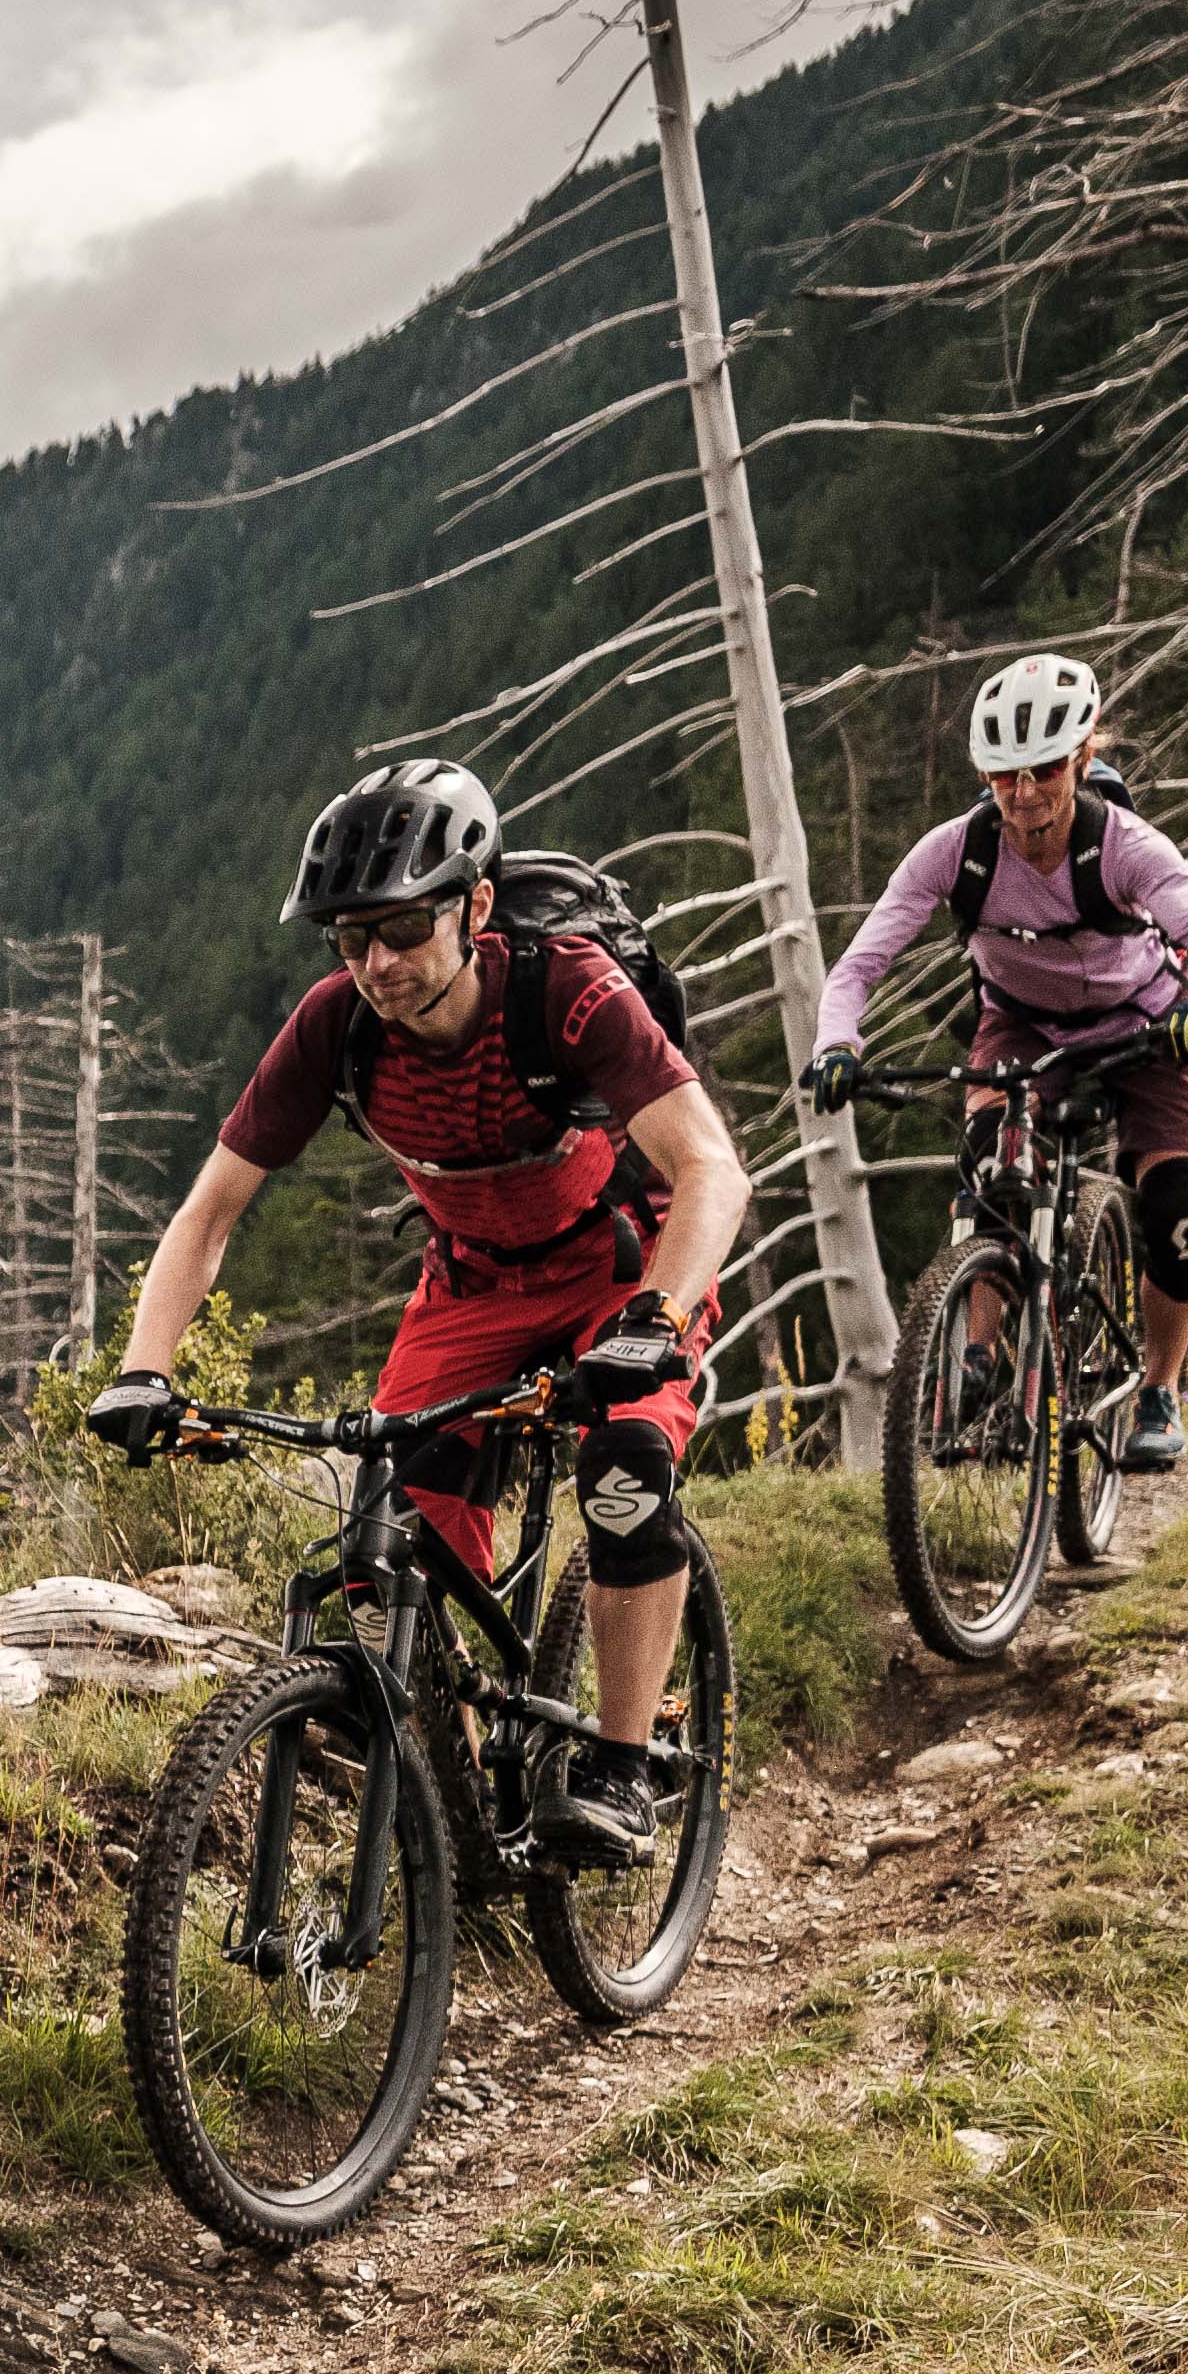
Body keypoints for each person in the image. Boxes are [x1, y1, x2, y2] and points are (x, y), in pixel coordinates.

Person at [86, 757, 754, 1861]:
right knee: (379, 1542)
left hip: (621, 1269)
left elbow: (711, 1171)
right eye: (351, 942)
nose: (378, 965)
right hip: (473, 1287)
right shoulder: (334, 1028)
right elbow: (208, 1214)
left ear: (475, 906)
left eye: (402, 931)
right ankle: (460, 1788)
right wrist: (143, 1369)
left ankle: (624, 1769)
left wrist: (658, 1317)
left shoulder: (567, 990)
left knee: (627, 1475)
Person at [812, 649, 1188, 1476]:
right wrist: (839, 1043)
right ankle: (977, 1359)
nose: (1026, 793)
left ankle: (1156, 1389)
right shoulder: (956, 853)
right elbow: (860, 965)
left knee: (1181, 1207)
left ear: (1081, 760)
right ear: (985, 774)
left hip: (1151, 1022)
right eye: (1006, 774)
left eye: (1045, 769)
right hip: (1024, 1028)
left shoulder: (1122, 844)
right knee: (989, 1182)